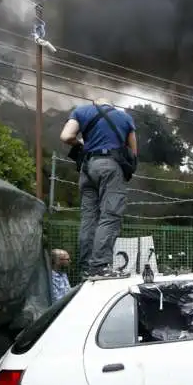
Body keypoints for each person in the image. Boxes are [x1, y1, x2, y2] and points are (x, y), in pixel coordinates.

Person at [60, 98, 138, 278]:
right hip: (110, 168)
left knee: (89, 218)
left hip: (87, 169)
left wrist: (82, 146)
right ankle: (100, 266)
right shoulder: (124, 117)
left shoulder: (81, 111)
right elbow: (133, 152)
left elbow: (66, 136)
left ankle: (86, 267)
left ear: (96, 104)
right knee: (110, 216)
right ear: (112, 105)